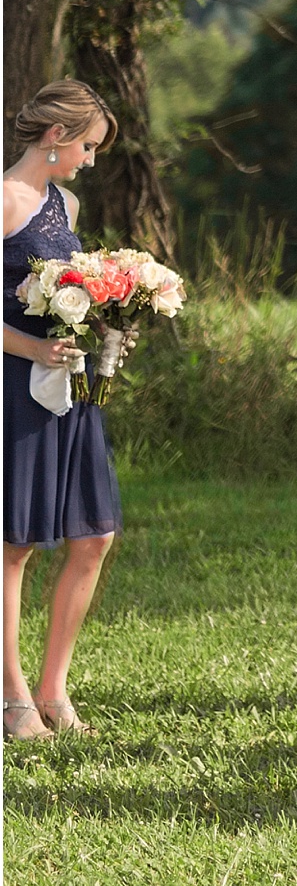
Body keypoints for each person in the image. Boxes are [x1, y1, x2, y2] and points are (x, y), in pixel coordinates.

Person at [3, 80, 128, 741]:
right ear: (56, 138)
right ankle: (12, 694)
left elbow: (67, 291)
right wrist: (30, 347)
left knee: (94, 533)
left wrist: (112, 322)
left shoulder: (66, 202)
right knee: (13, 543)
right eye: (88, 145)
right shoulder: (2, 200)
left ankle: (55, 687)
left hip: (73, 386)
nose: (90, 158)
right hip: (13, 388)